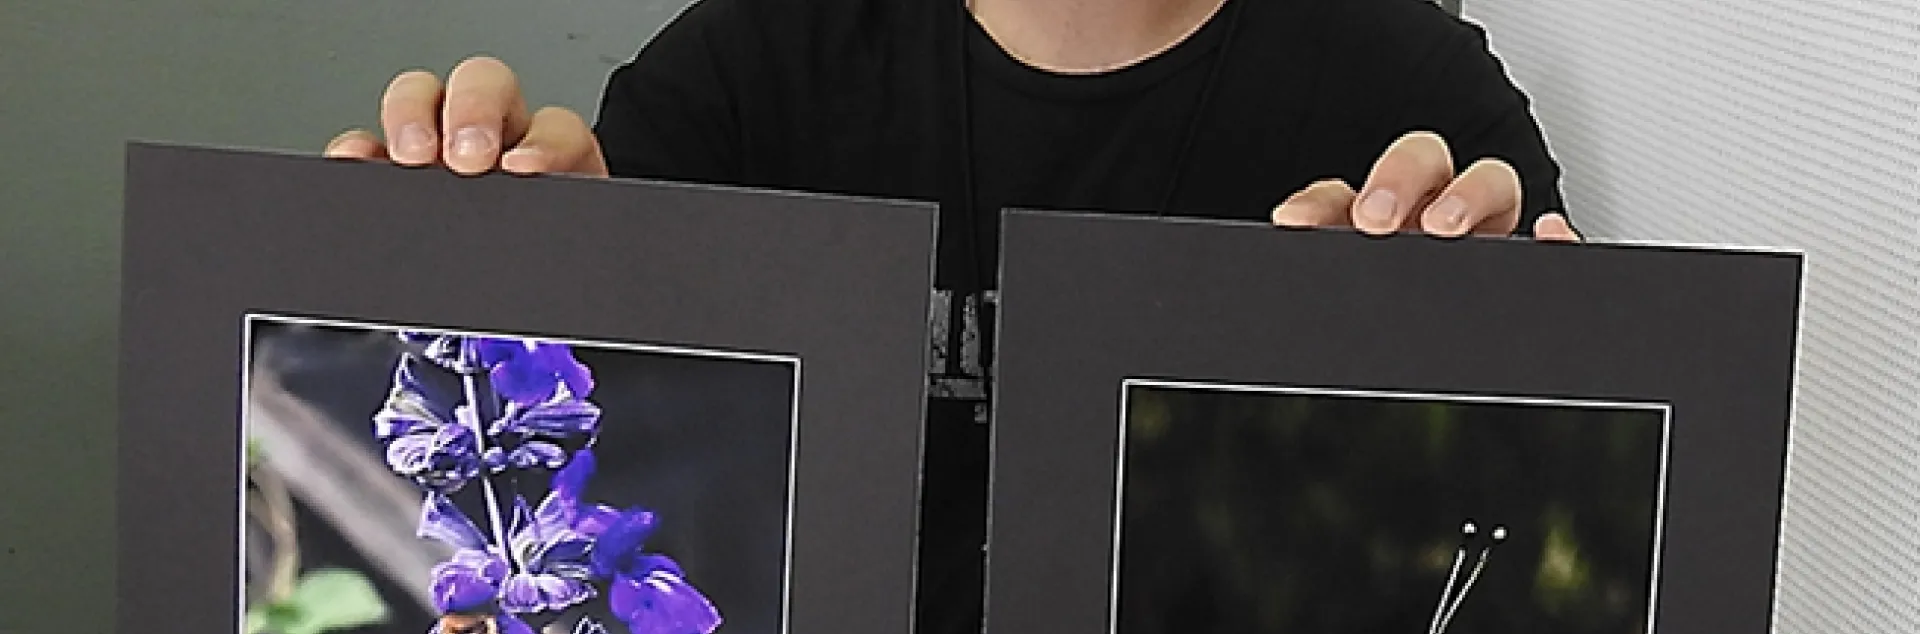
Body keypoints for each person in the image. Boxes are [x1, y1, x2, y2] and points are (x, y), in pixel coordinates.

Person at [323, 0, 1583, 632]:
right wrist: (506, 248)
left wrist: (1478, 364)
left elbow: (1558, 517)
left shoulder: (1410, 82)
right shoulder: (755, 57)